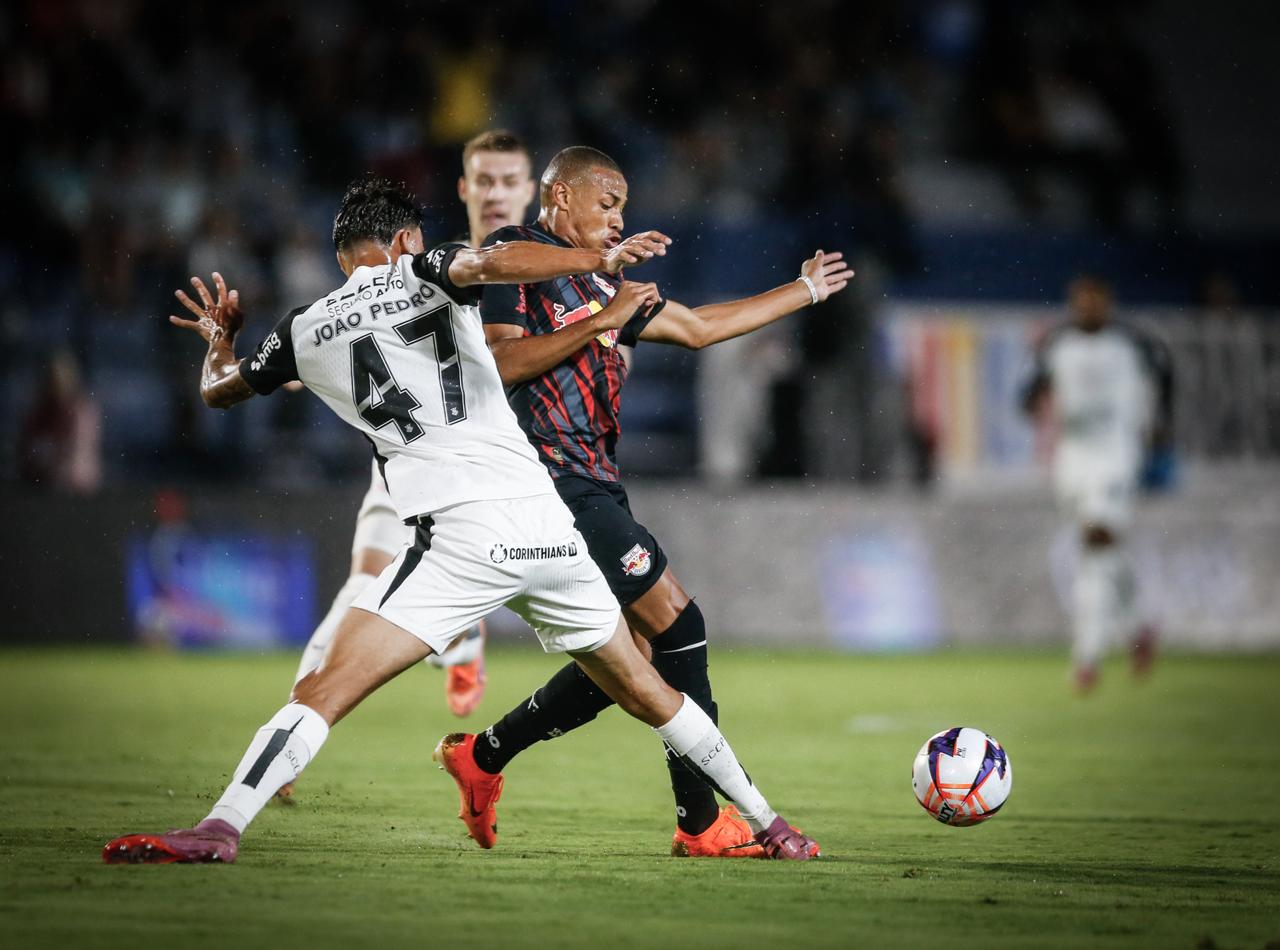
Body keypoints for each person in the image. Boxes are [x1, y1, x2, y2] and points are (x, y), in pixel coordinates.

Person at [103, 176, 819, 864]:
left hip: (460, 540)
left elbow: (220, 391)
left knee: (321, 692)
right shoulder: (427, 269)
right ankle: (772, 824)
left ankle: (221, 826)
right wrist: (597, 263)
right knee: (651, 689)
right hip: (546, 524)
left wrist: (219, 339)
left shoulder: (302, 328)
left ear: (343, 253)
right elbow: (491, 261)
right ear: (405, 239)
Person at [432, 146, 851, 859]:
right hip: (547, 478)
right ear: (561, 197)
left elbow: (697, 328)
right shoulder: (514, 254)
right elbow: (502, 363)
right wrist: (604, 316)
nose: (618, 218)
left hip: (593, 479)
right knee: (679, 624)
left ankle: (485, 755)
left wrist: (802, 291)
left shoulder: (602, 286)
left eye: (623, 206)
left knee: (638, 654)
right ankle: (701, 822)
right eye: (607, 203)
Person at [295, 130, 537, 719]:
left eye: (509, 181)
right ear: (464, 188)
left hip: (507, 465)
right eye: (484, 180)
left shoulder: (545, 272)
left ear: (531, 189)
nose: (496, 193)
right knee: (365, 581)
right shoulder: (423, 268)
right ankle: (297, 713)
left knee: (569, 599)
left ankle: (461, 635)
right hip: (412, 458)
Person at [1021, 276, 1171, 692]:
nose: (1088, 308)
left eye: (1095, 301)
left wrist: (1159, 429)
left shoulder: (1133, 343)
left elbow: (1165, 381)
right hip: (1072, 457)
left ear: (1108, 303)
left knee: (1096, 543)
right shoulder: (1057, 344)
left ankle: (1086, 658)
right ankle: (1139, 626)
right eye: (1081, 302)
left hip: (1116, 451)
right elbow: (1029, 392)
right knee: (1102, 548)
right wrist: (1035, 406)